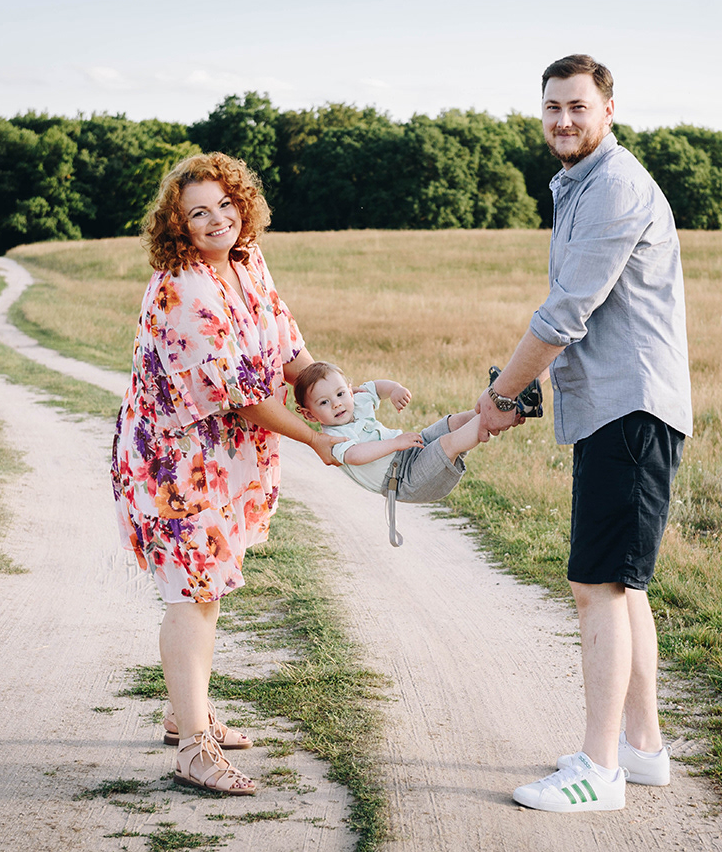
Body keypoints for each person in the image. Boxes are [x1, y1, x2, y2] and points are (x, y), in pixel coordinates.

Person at [476, 54, 692, 813]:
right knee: (621, 586)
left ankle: (599, 772)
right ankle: (641, 749)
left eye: (577, 106)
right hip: (615, 408)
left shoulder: (614, 186)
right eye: (552, 108)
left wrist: (501, 394)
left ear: (608, 110)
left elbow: (566, 312)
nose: (563, 120)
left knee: (596, 587)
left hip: (630, 410)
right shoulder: (580, 183)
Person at [111, 152, 342, 795]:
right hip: (175, 463)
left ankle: (182, 712)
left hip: (225, 458)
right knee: (195, 594)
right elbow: (240, 393)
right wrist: (317, 440)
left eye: (225, 204)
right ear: (178, 226)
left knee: (205, 589)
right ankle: (193, 747)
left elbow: (289, 349)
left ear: (243, 203)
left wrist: (336, 399)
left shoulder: (247, 260)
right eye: (198, 213)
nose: (217, 220)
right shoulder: (183, 287)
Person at [292, 361, 505, 506]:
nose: (336, 404)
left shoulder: (356, 400)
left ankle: (497, 398)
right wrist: (395, 443)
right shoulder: (333, 439)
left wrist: (394, 389)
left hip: (409, 451)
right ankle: (497, 411)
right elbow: (355, 455)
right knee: (448, 443)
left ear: (350, 390)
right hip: (404, 479)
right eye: (324, 402)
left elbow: (376, 387)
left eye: (340, 394)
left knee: (452, 423)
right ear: (310, 415)